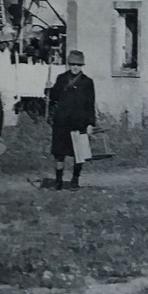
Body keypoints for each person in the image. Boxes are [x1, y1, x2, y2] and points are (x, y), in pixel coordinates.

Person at [46, 50, 96, 190]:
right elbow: (54, 97)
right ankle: (58, 181)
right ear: (69, 64)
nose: (75, 67)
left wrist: (90, 123)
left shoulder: (87, 82)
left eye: (78, 65)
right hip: (62, 122)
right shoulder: (61, 78)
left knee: (79, 154)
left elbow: (90, 104)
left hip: (79, 122)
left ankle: (75, 180)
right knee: (59, 153)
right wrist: (48, 89)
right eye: (73, 64)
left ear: (82, 65)